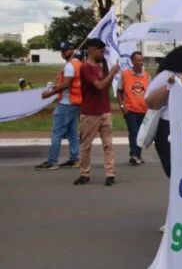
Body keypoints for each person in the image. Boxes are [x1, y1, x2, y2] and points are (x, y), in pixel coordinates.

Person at [75, 38, 121, 186]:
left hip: (105, 110)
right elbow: (99, 86)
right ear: (92, 50)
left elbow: (105, 87)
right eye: (101, 51)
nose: (103, 54)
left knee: (108, 144)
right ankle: (85, 173)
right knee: (86, 145)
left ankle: (110, 174)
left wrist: (109, 72)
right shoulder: (85, 67)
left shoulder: (101, 66)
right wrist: (112, 73)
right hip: (90, 112)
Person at [145, 46, 182, 179]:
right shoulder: (167, 75)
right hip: (167, 126)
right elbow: (149, 101)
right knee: (175, 171)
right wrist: (170, 85)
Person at [35, 42, 82, 170]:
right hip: (75, 102)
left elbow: (66, 84)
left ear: (72, 50)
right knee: (72, 133)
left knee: (57, 132)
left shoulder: (70, 65)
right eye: (61, 51)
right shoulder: (78, 64)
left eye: (65, 50)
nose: (62, 53)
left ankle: (52, 161)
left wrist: (49, 94)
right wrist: (57, 86)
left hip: (66, 103)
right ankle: (74, 159)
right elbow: (71, 83)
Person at [117, 51, 150, 165]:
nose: (141, 63)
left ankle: (138, 155)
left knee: (141, 134)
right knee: (134, 132)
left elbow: (150, 92)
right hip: (130, 109)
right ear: (132, 61)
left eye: (142, 60)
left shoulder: (147, 75)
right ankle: (134, 155)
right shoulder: (125, 74)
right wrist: (122, 105)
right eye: (138, 60)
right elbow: (119, 91)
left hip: (144, 110)